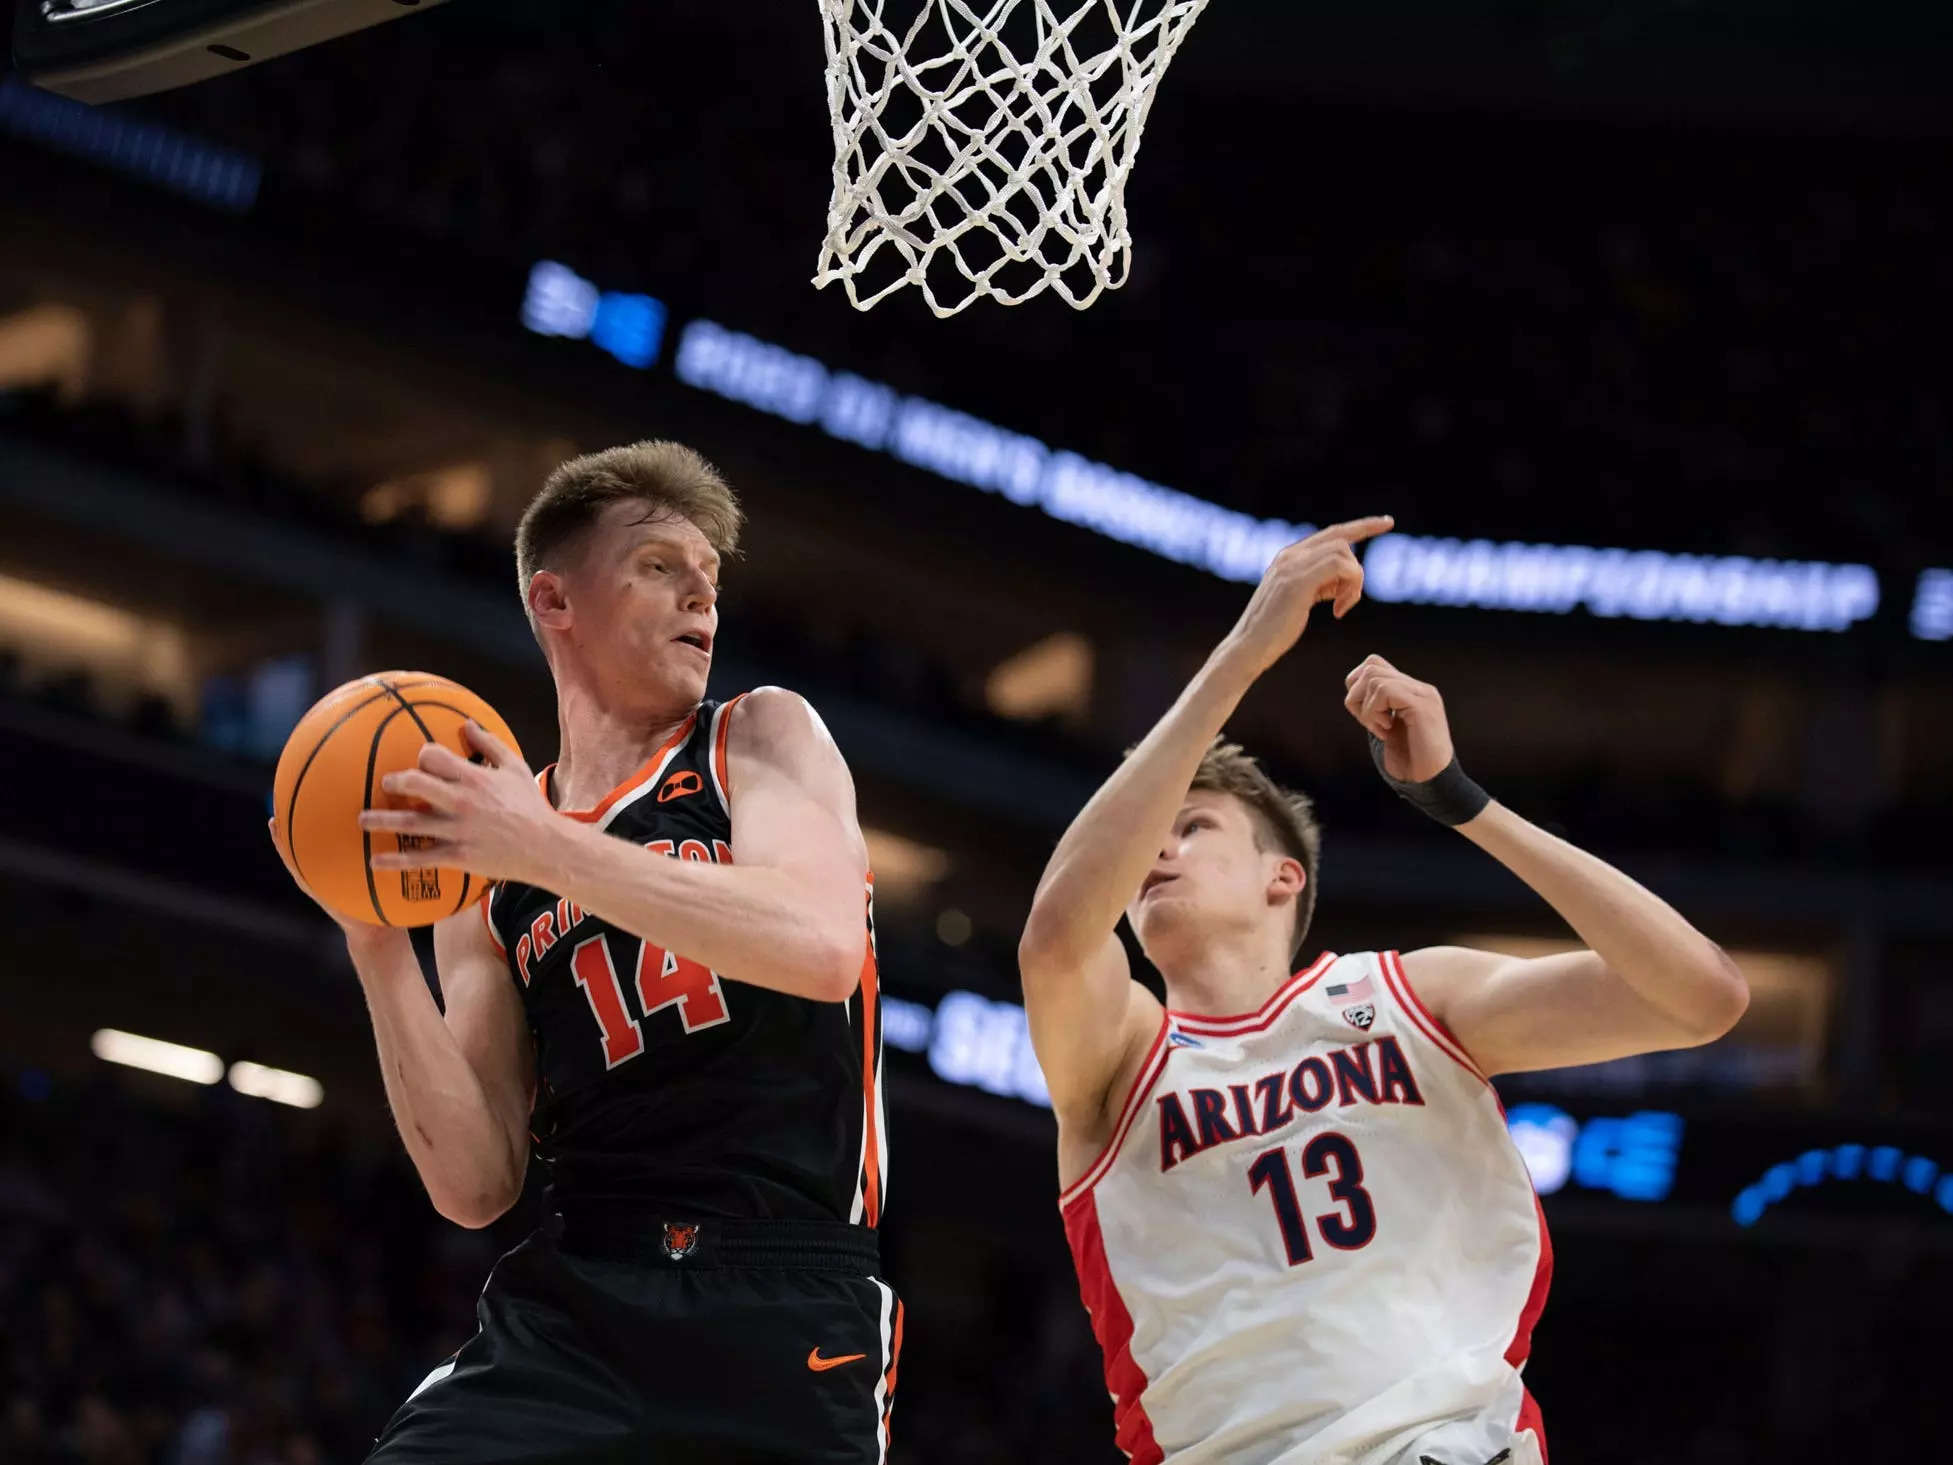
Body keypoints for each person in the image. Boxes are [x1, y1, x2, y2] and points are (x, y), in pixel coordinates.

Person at [1017, 517, 1749, 1465]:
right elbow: (1056, 935)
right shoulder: (1117, 1053)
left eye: (1192, 825)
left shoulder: (1410, 994)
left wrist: (1461, 799)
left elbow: (1701, 996)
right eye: (1152, 828)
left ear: (1282, 877)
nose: (1157, 843)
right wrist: (1243, 652)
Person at [270, 441, 900, 1465]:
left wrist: (544, 846)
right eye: (661, 565)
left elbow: (823, 946)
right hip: (579, 1299)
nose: (703, 592)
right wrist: (375, 935)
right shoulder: (491, 864)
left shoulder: (756, 737)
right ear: (555, 601)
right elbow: (473, 1182)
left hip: (782, 1291)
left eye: (710, 577)